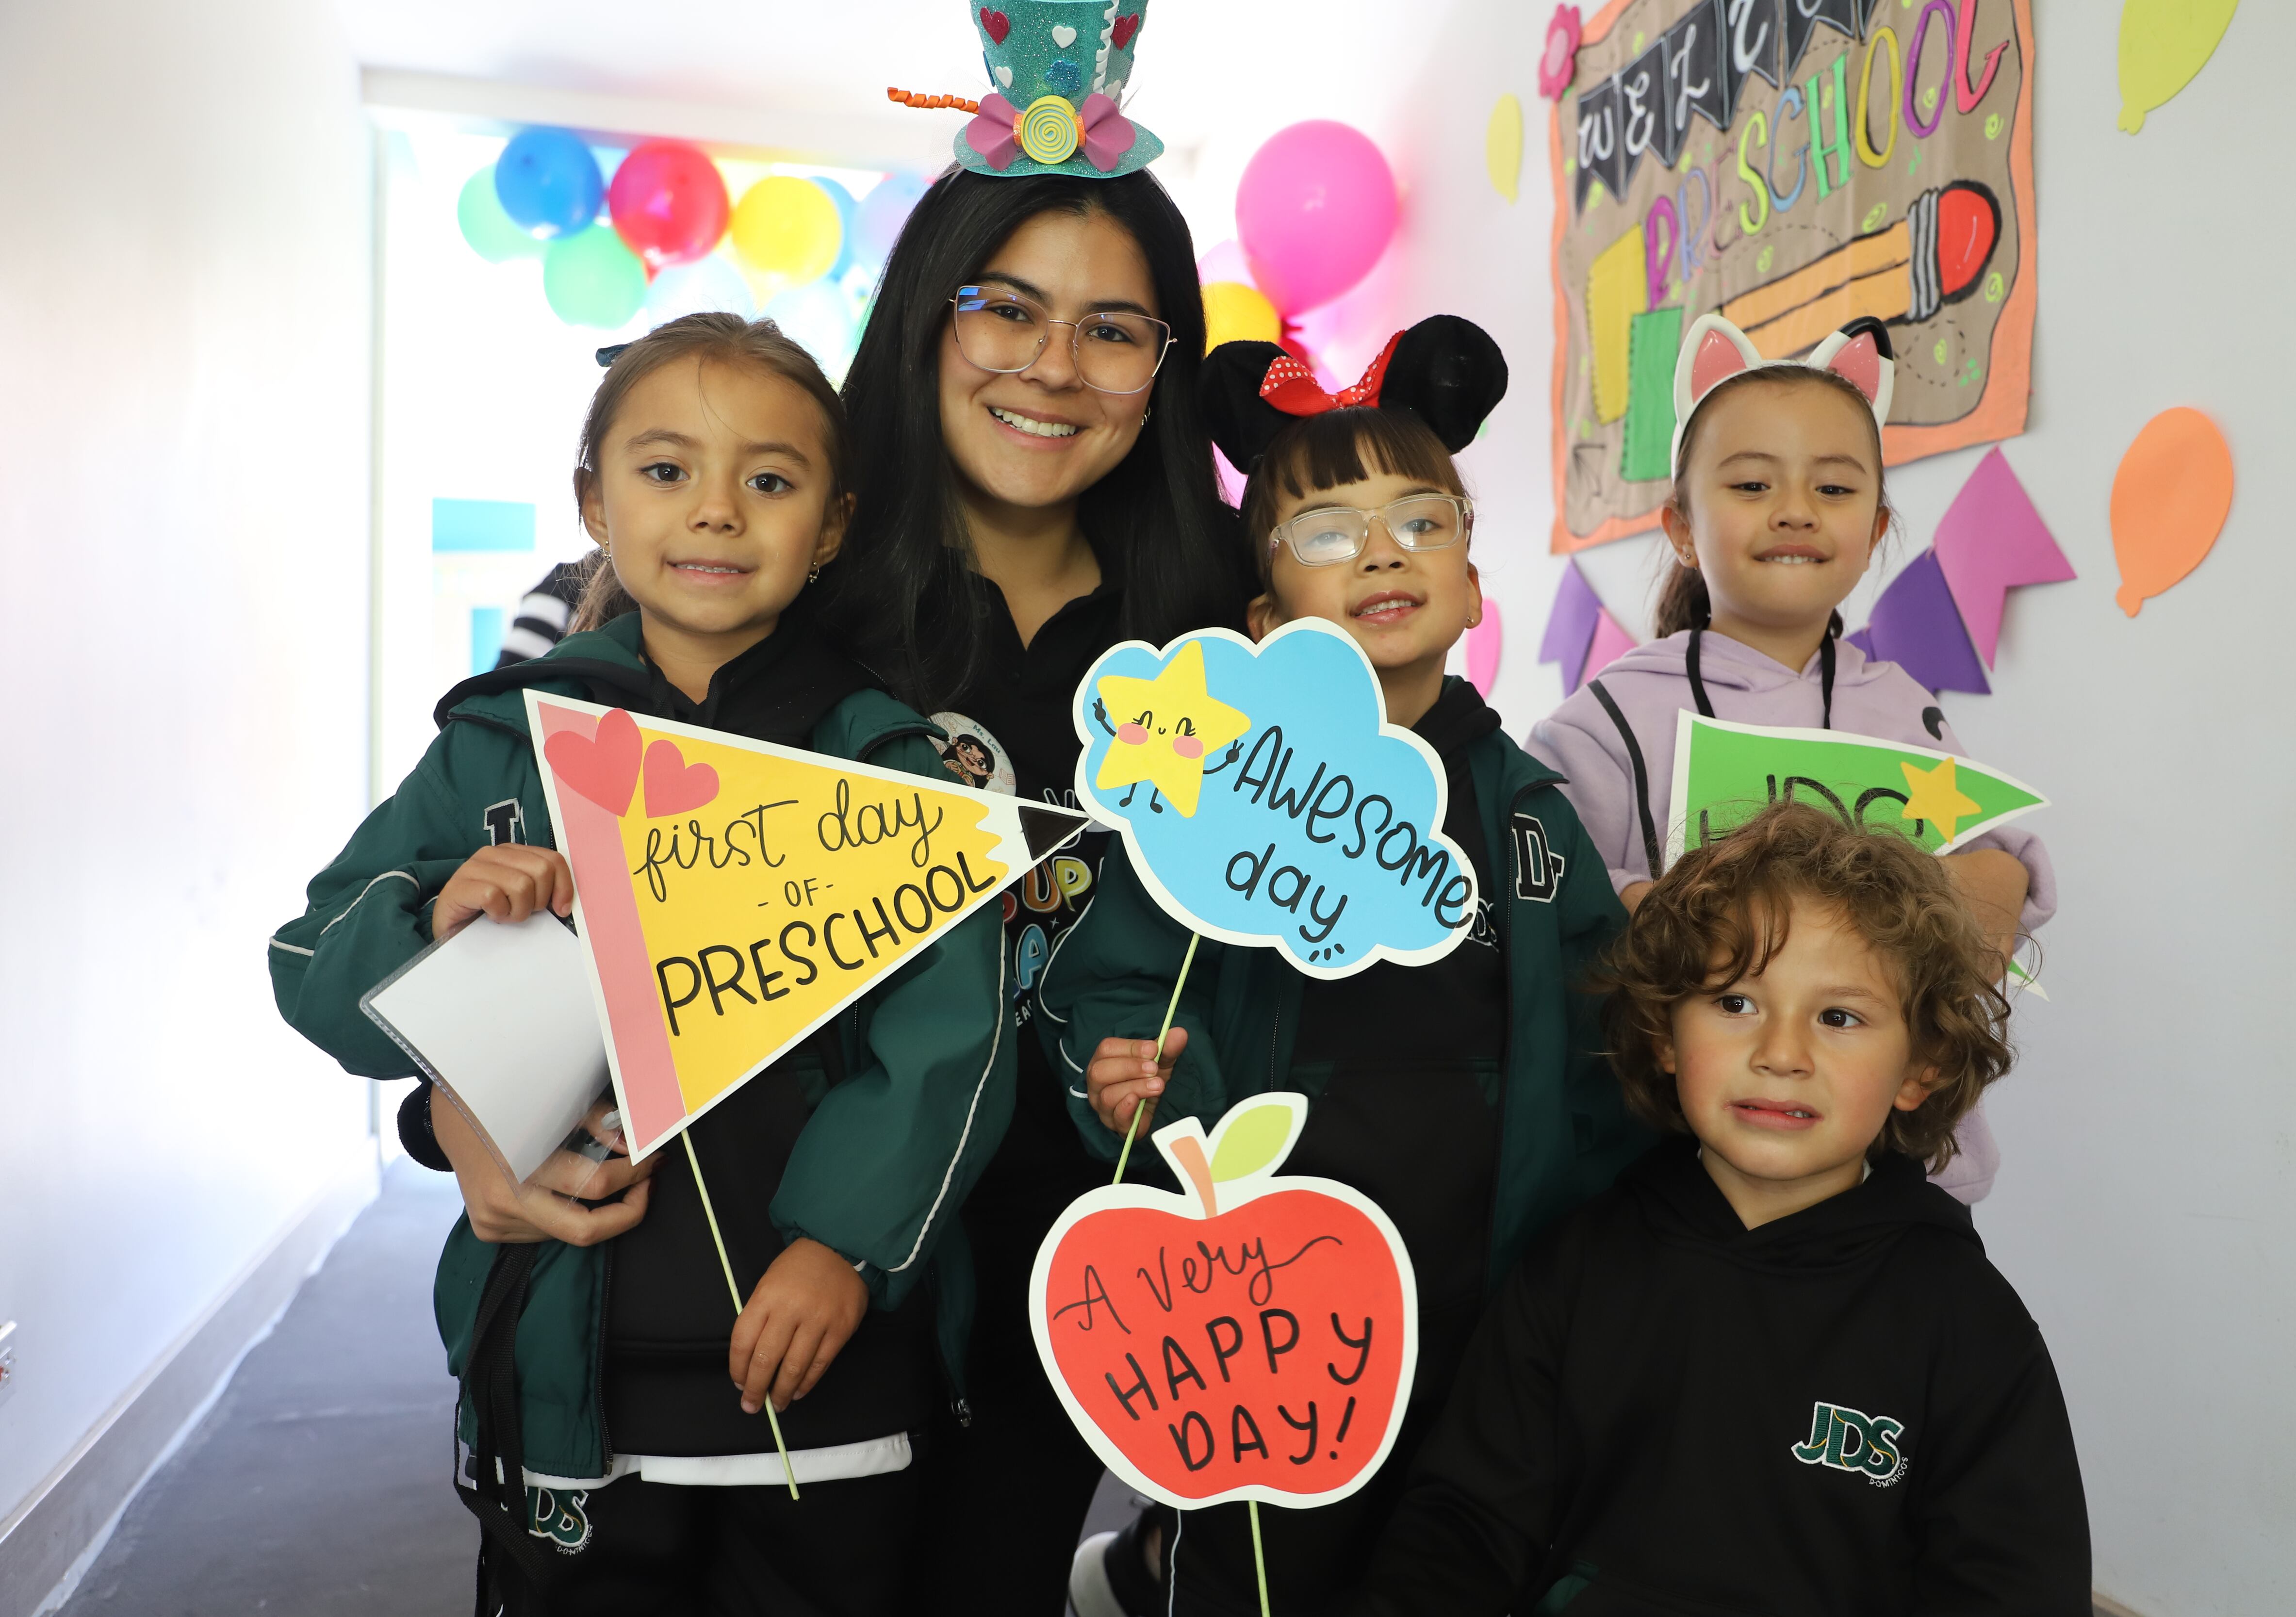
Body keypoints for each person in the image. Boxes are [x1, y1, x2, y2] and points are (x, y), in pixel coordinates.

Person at [268, 313, 1013, 1617]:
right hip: (568, 1360)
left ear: (830, 525)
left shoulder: (889, 764)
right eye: (668, 471)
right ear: (592, 502)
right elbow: (316, 959)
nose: (718, 512)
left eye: (769, 481)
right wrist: (437, 914)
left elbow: (951, 1034)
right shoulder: (502, 746)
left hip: (822, 1374)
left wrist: (844, 1243)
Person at [1047, 317, 1649, 1616]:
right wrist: (1131, 1080)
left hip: (1485, 1295)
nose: (1382, 550)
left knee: (1462, 1559)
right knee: (1271, 1567)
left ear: (1476, 583)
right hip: (1270, 1302)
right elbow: (1115, 989)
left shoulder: (1535, 813)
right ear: (1265, 612)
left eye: (1422, 521)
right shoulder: (1202, 796)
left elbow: (1610, 1044)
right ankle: (1156, 1567)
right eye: (1328, 531)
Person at [826, 9, 1249, 1611]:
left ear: (1163, 368)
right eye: (1006, 306)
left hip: (1063, 1285)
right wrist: (462, 1115)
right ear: (930, 314)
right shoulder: (782, 593)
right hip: (787, 1258)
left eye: (1115, 329)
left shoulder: (1224, 643)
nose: (1052, 367)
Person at [1355, 802, 2092, 1617]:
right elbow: (1462, 1530)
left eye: (1839, 1017)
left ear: (1919, 1069)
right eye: (1735, 1002)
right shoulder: (1576, 1265)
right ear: (1666, 1034)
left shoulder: (1968, 1325)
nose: (1781, 1054)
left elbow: (2014, 1586)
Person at [1525, 313, 2052, 1204]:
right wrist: (1684, 927)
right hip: (1674, 1174)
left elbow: (2001, 881)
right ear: (1683, 527)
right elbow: (1552, 894)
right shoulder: (1611, 716)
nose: (1796, 509)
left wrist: (1981, 897)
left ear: (1878, 527)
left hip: (1884, 1175)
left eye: (1835, 489)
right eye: (1751, 482)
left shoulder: (1900, 709)